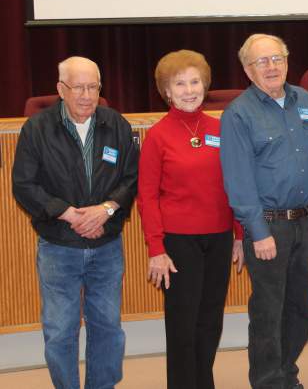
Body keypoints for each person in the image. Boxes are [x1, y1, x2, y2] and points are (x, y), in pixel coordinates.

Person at [12, 56, 138, 389]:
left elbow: (131, 178)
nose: (86, 95)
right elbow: (24, 185)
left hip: (106, 244)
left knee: (108, 327)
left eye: (93, 87)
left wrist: (107, 209)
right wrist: (67, 213)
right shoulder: (37, 129)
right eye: (78, 87)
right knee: (59, 330)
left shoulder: (117, 125)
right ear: (60, 89)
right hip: (58, 245)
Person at [220, 34, 308, 389]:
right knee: (268, 312)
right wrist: (257, 231)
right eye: (261, 62)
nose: (271, 67)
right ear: (248, 71)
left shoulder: (306, 100)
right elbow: (238, 179)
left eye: (277, 58)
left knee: (300, 312)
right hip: (269, 227)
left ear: (287, 60)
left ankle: (285, 373)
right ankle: (268, 381)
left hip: (307, 223)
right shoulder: (238, 114)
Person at [137, 50, 244, 389]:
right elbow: (147, 197)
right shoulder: (158, 135)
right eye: (179, 83)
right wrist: (156, 247)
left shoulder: (221, 128)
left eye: (194, 81)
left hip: (219, 237)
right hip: (178, 243)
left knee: (210, 321)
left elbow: (235, 185)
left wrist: (239, 236)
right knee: (183, 324)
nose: (188, 90)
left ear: (205, 84)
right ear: (166, 91)